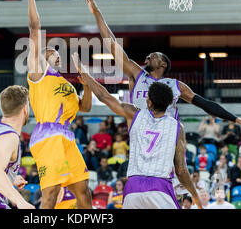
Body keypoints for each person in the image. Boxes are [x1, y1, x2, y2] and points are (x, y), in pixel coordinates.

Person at [84, 0, 241, 131]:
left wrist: (238, 120)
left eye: (154, 55)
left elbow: (206, 105)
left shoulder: (175, 85)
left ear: (162, 64)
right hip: (140, 138)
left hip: (166, 139)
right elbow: (112, 43)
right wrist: (97, 12)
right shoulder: (136, 73)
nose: (148, 57)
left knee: (180, 148)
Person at [72, 52, 202, 209]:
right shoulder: (177, 127)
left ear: (148, 101)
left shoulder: (134, 114)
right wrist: (195, 195)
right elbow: (180, 170)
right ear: (169, 104)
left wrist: (83, 72)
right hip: (160, 187)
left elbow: (105, 96)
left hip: (133, 187)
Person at [25, 0, 93, 209]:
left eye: (56, 53)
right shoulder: (38, 74)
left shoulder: (67, 85)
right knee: (51, 193)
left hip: (66, 136)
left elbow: (84, 107)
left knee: (83, 190)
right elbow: (35, 28)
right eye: (50, 53)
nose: (55, 55)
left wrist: (87, 86)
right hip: (47, 135)